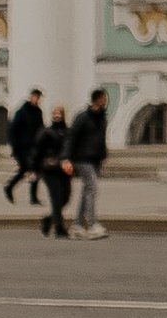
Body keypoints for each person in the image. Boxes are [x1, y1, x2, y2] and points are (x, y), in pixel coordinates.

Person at [68, 89, 110, 239]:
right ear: (97, 99)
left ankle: (77, 225)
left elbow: (101, 139)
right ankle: (92, 225)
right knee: (92, 188)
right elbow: (71, 138)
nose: (106, 101)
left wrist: (104, 155)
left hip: (95, 159)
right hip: (82, 159)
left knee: (86, 192)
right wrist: (67, 158)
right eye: (104, 98)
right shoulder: (83, 117)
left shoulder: (102, 118)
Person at [34, 107, 73, 241]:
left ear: (63, 115)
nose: (57, 116)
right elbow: (37, 151)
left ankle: (48, 219)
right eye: (54, 113)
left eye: (59, 113)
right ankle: (59, 229)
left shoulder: (68, 132)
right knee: (56, 199)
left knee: (66, 197)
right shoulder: (46, 132)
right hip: (49, 170)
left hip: (64, 170)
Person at [2, 88, 44, 207]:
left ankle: (29, 195)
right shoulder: (21, 112)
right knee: (29, 170)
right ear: (31, 97)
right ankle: (11, 188)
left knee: (32, 170)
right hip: (23, 148)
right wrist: (15, 148)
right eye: (35, 97)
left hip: (35, 148)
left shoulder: (38, 112)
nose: (37, 99)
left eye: (38, 97)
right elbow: (13, 131)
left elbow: (41, 129)